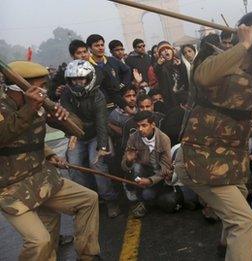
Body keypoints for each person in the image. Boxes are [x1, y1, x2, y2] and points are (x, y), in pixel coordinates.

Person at [175, 12, 252, 261]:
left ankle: (225, 250)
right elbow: (202, 77)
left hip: (229, 158)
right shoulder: (216, 58)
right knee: (244, 221)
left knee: (236, 209)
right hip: (201, 156)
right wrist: (244, 44)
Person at [0, 61, 100, 260]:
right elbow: (4, 136)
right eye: (41, 87)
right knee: (40, 241)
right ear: (19, 89)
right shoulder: (7, 107)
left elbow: (78, 130)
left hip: (42, 178)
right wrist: (29, 107)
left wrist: (62, 119)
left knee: (88, 199)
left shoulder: (39, 105)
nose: (45, 92)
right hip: (11, 189)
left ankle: (89, 255)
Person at [60, 60, 121, 218]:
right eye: (73, 79)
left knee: (97, 165)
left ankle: (110, 200)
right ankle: (86, 201)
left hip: (95, 134)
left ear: (89, 78)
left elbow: (101, 123)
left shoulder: (98, 95)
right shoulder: (66, 94)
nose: (77, 82)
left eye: (81, 79)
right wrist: (72, 135)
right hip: (77, 134)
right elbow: (69, 117)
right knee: (73, 165)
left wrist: (101, 148)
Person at [121, 111, 174, 217]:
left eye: (144, 125)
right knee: (136, 167)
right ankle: (141, 197)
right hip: (144, 172)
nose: (140, 129)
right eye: (138, 126)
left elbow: (166, 169)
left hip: (160, 177)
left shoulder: (163, 139)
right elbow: (124, 166)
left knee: (157, 198)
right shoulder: (133, 138)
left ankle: (149, 197)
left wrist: (150, 180)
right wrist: (129, 160)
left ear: (153, 124)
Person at [86, 34, 132, 111]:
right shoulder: (87, 66)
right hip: (99, 107)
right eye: (97, 46)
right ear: (90, 48)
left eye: (102, 45)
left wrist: (122, 85)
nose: (100, 48)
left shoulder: (112, 60)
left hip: (118, 103)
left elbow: (127, 71)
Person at [154, 41, 189, 108]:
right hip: (171, 101)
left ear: (172, 51)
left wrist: (181, 66)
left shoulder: (179, 63)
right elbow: (157, 71)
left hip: (184, 98)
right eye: (162, 50)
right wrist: (159, 64)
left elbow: (185, 79)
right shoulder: (161, 67)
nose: (166, 50)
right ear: (160, 54)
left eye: (168, 48)